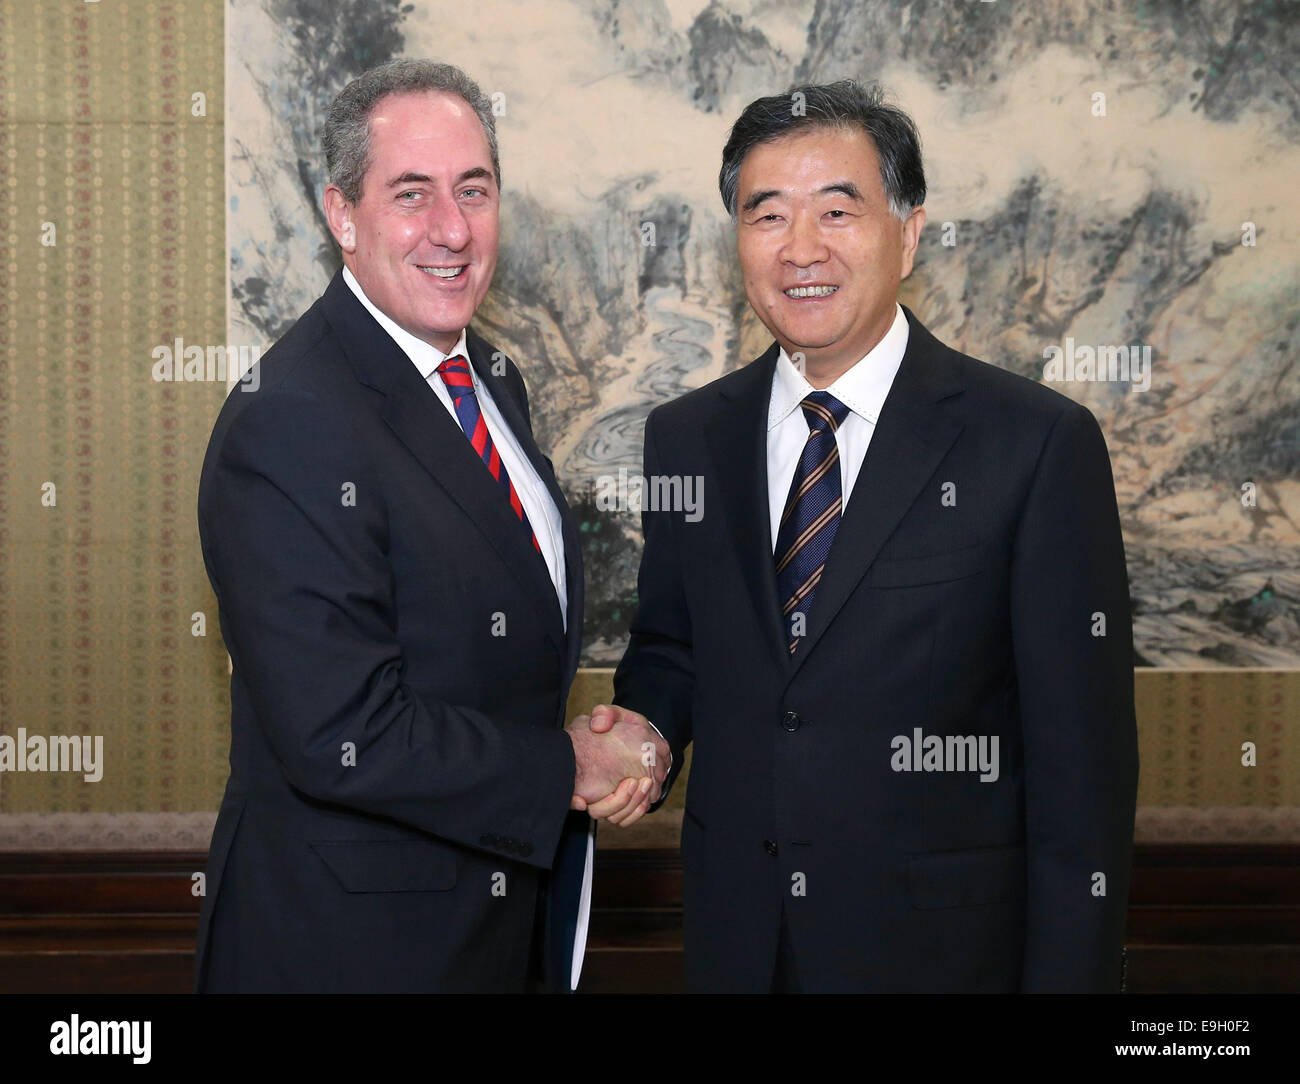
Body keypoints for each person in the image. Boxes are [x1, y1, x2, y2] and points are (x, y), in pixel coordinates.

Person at [591, 80, 1140, 992]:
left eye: (837, 211)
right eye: (766, 215)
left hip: (945, 960)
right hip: (740, 948)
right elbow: (676, 649)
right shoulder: (688, 436)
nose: (800, 248)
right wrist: (644, 733)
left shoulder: (1033, 443)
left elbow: (1081, 772)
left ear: (910, 234)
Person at [194, 58, 666, 994]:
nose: (452, 229)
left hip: (489, 925)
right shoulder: (290, 417)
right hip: (350, 950)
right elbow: (343, 730)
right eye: (411, 194)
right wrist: (562, 765)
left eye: (474, 191)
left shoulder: (490, 379)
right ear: (341, 214)